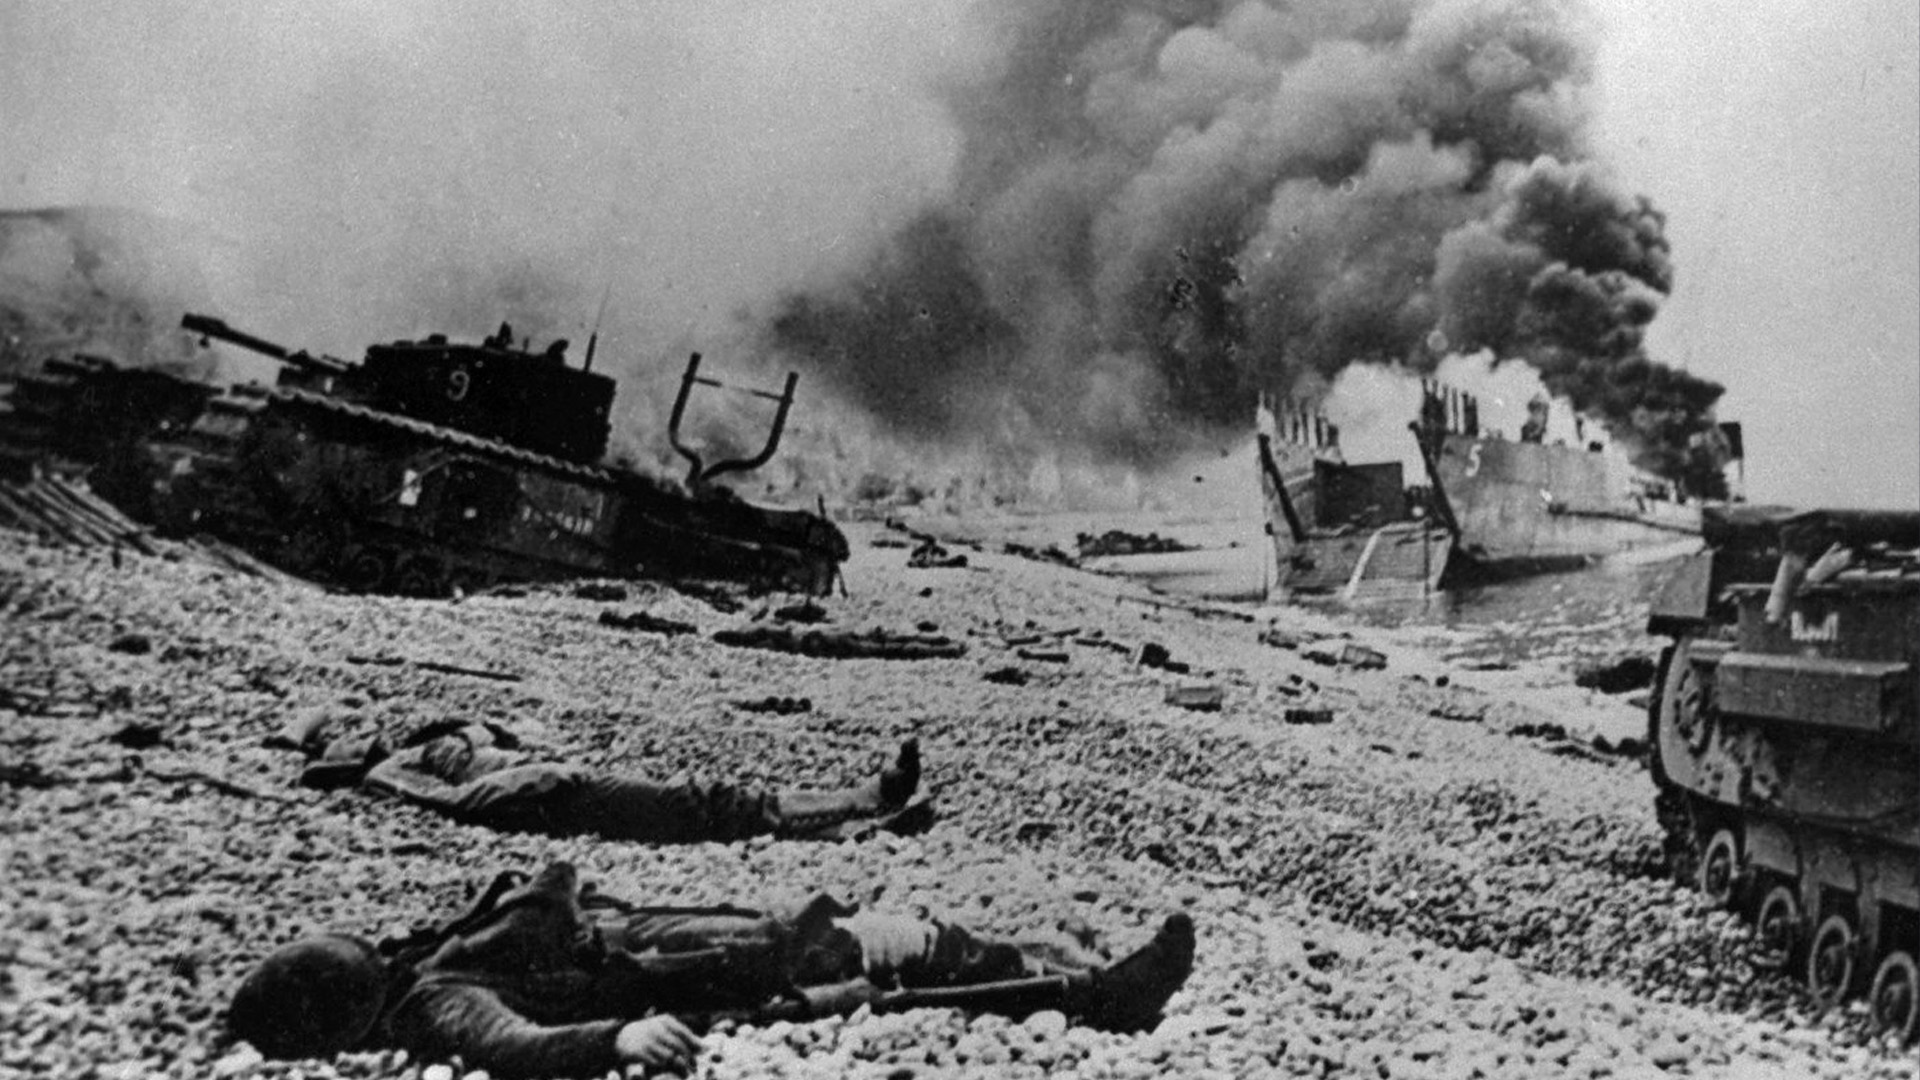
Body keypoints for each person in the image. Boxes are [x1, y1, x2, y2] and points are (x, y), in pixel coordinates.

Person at [227, 861, 1197, 1078]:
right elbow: (512, 1045)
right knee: (886, 953)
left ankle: (1071, 981)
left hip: (674, 949)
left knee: (883, 948)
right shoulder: (439, 1003)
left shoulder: (423, 979)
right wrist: (618, 1038)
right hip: (689, 979)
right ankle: (1100, 1001)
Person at [283, 716, 929, 843]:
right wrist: (542, 778)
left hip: (558, 781)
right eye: (341, 725)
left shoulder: (412, 745)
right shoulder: (390, 772)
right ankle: (867, 800)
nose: (358, 719)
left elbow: (484, 735)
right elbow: (464, 799)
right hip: (558, 796)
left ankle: (852, 828)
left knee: (698, 810)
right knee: (700, 802)